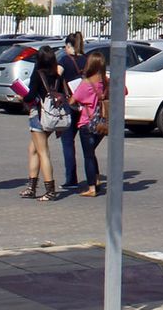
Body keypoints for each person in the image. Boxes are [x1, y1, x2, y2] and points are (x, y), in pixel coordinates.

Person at [20, 47, 65, 201]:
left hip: (40, 115)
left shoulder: (38, 74)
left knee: (43, 152)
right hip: (53, 116)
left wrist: (22, 97)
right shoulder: (57, 74)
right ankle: (31, 187)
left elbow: (31, 95)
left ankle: (50, 190)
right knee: (33, 149)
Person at [70, 53, 110, 197]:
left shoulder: (86, 83)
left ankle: (92, 187)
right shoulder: (106, 82)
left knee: (88, 155)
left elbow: (72, 101)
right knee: (91, 153)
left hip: (87, 122)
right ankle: (97, 180)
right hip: (102, 122)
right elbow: (124, 91)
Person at [55, 32, 85, 187]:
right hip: (86, 105)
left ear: (68, 46)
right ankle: (93, 179)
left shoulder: (64, 60)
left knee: (68, 142)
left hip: (70, 104)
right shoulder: (87, 59)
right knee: (88, 145)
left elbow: (56, 76)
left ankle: (71, 178)